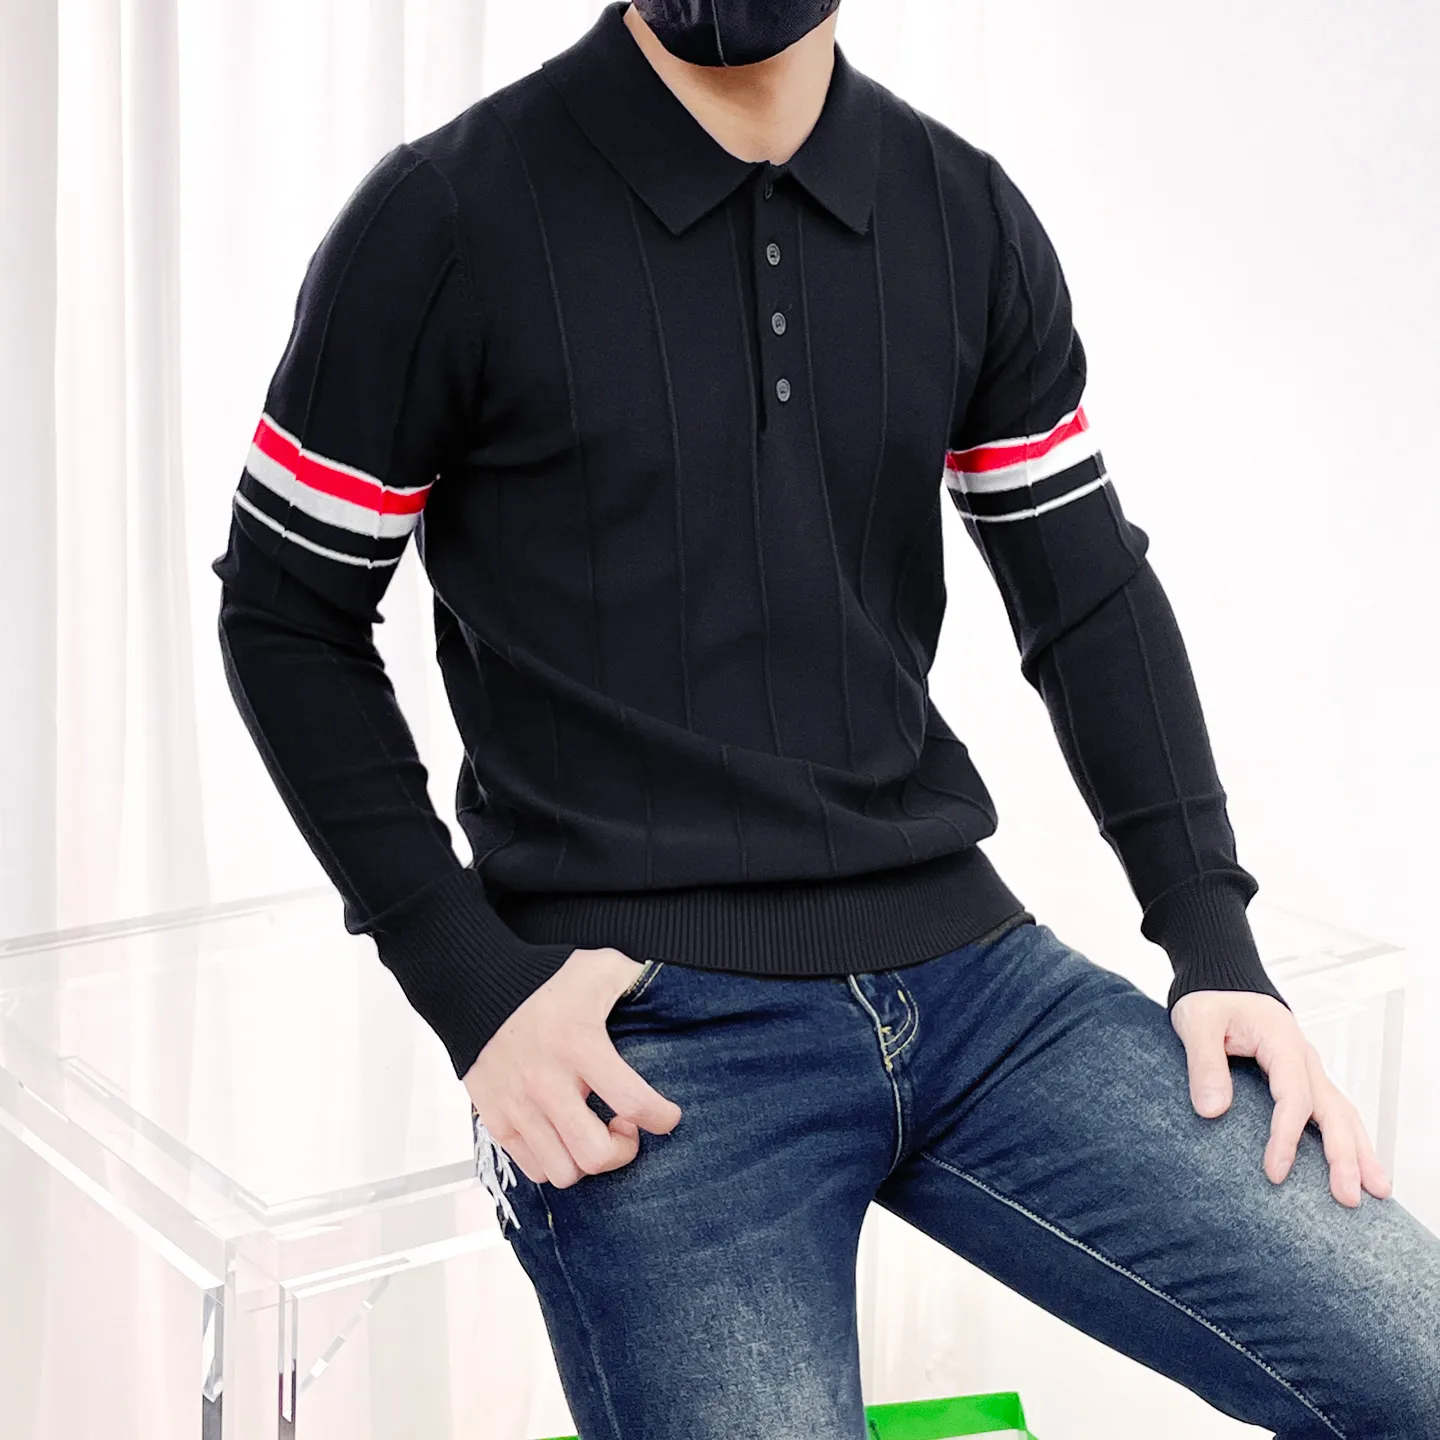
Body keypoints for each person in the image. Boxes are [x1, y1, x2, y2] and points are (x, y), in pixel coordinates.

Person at [212, 1, 1440, 1433]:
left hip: (981, 987)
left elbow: (1086, 589)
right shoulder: (444, 218)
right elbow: (286, 613)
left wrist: (1212, 939)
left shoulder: (962, 210)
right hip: (652, 1041)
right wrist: (471, 988)